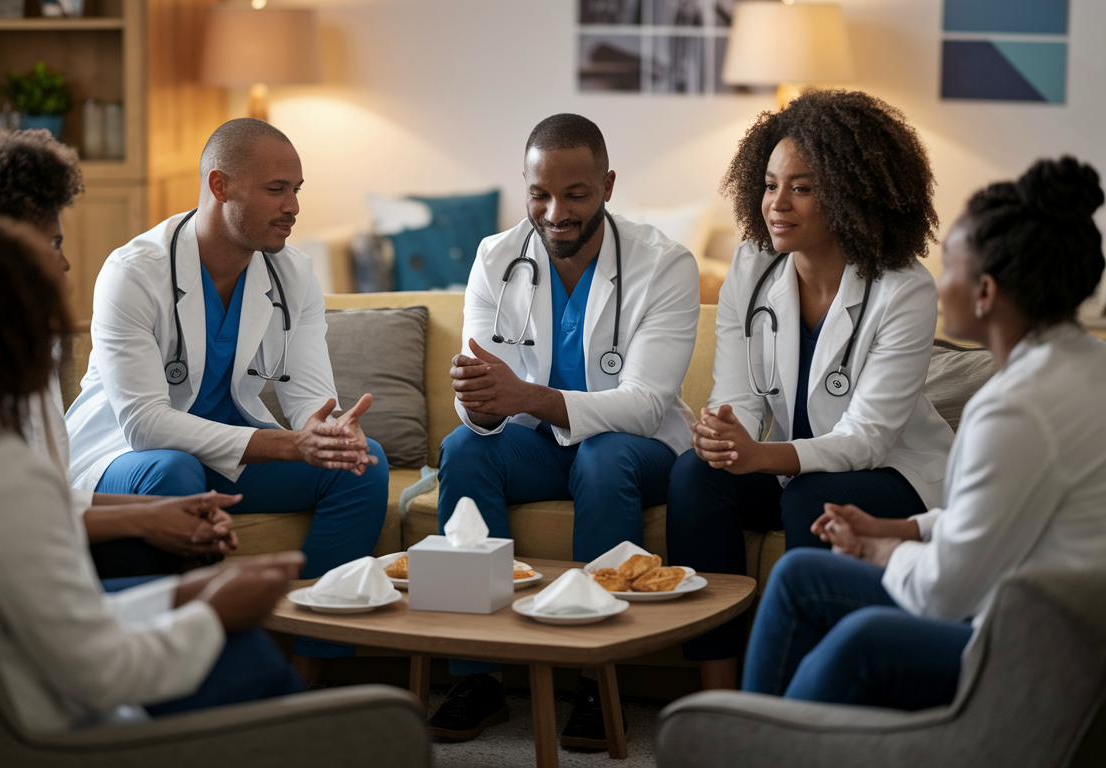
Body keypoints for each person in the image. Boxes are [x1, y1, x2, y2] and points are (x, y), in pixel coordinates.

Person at [0, 217, 308, 731]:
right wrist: (214, 615)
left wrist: (184, 595)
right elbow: (103, 673)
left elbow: (42, 620)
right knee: (250, 656)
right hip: (36, 729)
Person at [741, 156, 1106, 709]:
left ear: (984, 292)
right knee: (800, 576)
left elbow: (942, 591)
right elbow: (992, 516)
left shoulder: (1013, 410)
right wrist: (901, 529)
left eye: (951, 263)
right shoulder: (1085, 364)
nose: (938, 279)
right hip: (1060, 617)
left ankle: (752, 741)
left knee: (842, 623)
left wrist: (879, 549)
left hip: (1029, 641)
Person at [64, 118, 388, 685]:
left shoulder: (293, 274)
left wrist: (334, 432)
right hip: (125, 458)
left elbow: (311, 397)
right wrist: (288, 444)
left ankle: (313, 660)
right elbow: (143, 425)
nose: (292, 206)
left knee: (362, 466)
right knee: (172, 470)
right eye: (275, 190)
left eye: (296, 190)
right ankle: (212, 659)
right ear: (220, 186)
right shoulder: (133, 272)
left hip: (224, 449)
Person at [667, 89, 956, 691]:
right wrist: (722, 435)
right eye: (770, 185)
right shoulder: (752, 267)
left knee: (812, 501)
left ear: (852, 192)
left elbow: (870, 439)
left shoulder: (904, 289)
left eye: (801, 187)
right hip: (792, 465)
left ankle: (803, 700)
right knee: (696, 477)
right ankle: (720, 698)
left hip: (895, 474)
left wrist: (760, 456)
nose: (777, 204)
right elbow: (738, 396)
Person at [431, 114, 701, 746]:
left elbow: (644, 403)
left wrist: (523, 395)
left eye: (575, 194)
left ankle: (593, 678)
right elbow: (483, 400)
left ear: (606, 185)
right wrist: (482, 404)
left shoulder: (664, 264)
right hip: (539, 446)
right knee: (463, 447)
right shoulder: (496, 258)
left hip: (641, 449)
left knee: (602, 459)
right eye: (539, 194)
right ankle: (479, 674)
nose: (555, 212)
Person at [0, 127, 240, 580]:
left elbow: (42, 498)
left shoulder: (23, 346)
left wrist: (176, 509)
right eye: (53, 244)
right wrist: (146, 516)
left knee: (194, 549)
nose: (64, 263)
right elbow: (8, 523)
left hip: (30, 556)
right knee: (214, 605)